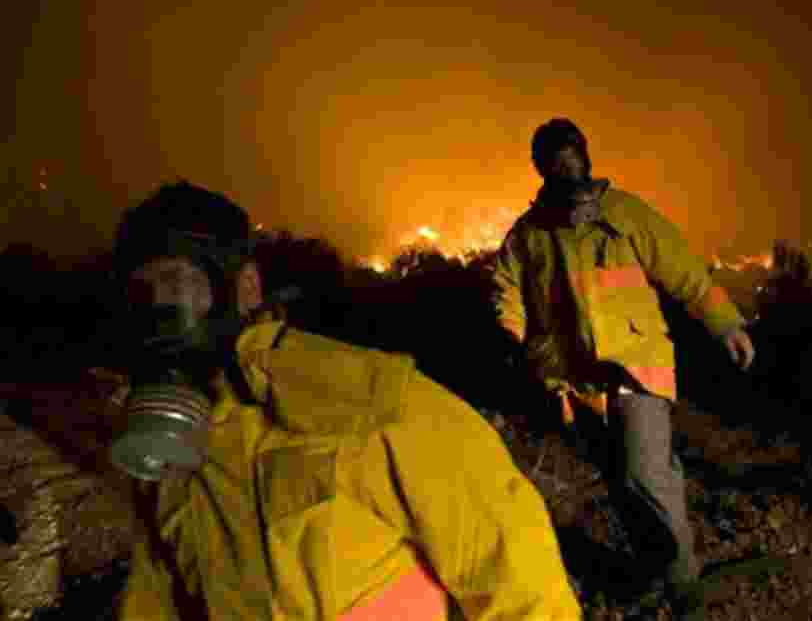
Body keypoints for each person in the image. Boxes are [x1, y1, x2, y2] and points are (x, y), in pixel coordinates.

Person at [112, 180, 581, 620]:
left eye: (177, 284)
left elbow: (508, 556)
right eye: (141, 293)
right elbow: (155, 596)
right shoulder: (165, 448)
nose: (159, 311)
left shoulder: (359, 401)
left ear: (244, 288)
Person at [492, 119, 756, 614]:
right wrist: (514, 337)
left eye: (572, 156)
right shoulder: (530, 233)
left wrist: (725, 324)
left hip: (638, 367)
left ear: (585, 157)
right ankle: (656, 568)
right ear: (541, 168)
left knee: (645, 473)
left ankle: (682, 582)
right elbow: (505, 289)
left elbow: (683, 270)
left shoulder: (625, 214)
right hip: (574, 379)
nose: (566, 167)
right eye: (555, 160)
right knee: (618, 478)